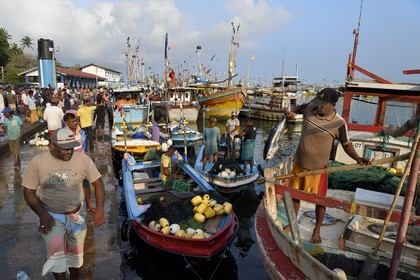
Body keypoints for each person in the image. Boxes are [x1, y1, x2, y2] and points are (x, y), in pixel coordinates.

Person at [286, 88, 371, 244]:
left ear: (332, 104)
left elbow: (346, 145)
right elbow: (299, 108)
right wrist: (292, 111)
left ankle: (317, 230)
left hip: (318, 170)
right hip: (299, 164)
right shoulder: (311, 107)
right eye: (318, 104)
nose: (319, 107)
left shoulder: (339, 123)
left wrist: (358, 158)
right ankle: (291, 223)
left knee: (320, 201)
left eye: (323, 105)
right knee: (294, 196)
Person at [22, 128, 105, 279]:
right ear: (53, 145)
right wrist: (43, 215)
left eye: (71, 147)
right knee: (57, 257)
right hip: (51, 216)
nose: (69, 151)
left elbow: (98, 183)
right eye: (65, 148)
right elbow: (28, 192)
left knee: (76, 257)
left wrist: (100, 209)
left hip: (77, 215)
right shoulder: (38, 162)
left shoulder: (82, 159)